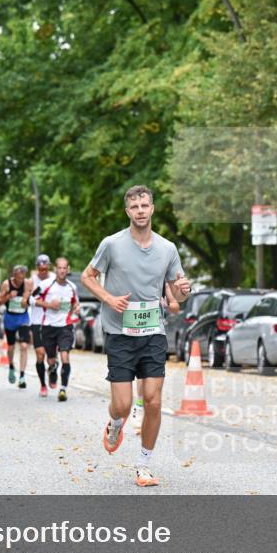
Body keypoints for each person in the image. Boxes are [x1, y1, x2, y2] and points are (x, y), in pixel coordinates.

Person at [81, 185, 190, 487]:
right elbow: (87, 276)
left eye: (145, 205)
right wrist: (108, 298)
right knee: (124, 405)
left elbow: (177, 286)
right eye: (134, 207)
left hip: (153, 330)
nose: (140, 211)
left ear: (152, 208)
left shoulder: (167, 248)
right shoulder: (112, 244)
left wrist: (183, 290)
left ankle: (143, 465)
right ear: (127, 211)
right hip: (119, 331)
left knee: (153, 401)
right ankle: (115, 423)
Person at [129, 287, 180, 435]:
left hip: (155, 334)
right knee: (141, 375)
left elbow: (175, 306)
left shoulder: (161, 279)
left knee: (150, 378)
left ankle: (145, 412)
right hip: (134, 331)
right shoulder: (133, 276)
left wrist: (167, 304)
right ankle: (139, 406)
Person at [36, 256, 79, 402]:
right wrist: (49, 305)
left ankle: (63, 389)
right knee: (51, 360)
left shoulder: (72, 287)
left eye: (64, 268)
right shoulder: (46, 284)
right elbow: (31, 299)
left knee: (65, 355)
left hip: (65, 326)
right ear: (55, 269)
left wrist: (77, 309)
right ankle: (53, 368)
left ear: (68, 269)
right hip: (48, 326)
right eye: (59, 268)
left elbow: (75, 304)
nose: (61, 270)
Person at [0, 265, 32, 388]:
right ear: (14, 274)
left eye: (24, 273)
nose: (21, 276)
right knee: (11, 347)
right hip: (10, 318)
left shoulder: (28, 283)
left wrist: (26, 301)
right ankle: (11, 366)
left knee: (24, 346)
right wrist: (8, 296)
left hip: (23, 318)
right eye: (19, 273)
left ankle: (22, 376)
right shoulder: (6, 284)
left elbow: (29, 299)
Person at [28, 253, 55, 397]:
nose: (43, 271)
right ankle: (43, 385)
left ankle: (52, 369)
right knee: (40, 354)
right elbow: (27, 300)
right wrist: (45, 303)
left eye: (45, 269)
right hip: (37, 321)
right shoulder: (32, 281)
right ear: (37, 268)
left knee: (51, 357)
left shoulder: (55, 279)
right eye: (41, 269)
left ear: (48, 267)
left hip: (52, 322)